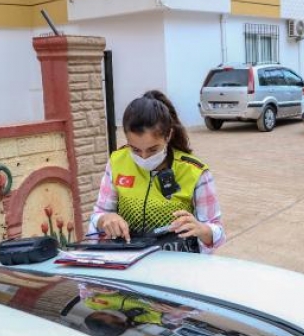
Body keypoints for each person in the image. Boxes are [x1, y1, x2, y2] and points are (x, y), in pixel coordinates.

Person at [89, 90, 226, 254]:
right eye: (135, 149)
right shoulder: (117, 161)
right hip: (127, 262)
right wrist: (106, 219)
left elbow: (217, 231)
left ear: (168, 135)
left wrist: (202, 229)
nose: (144, 157)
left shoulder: (195, 171)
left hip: (176, 266)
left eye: (153, 149)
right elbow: (99, 213)